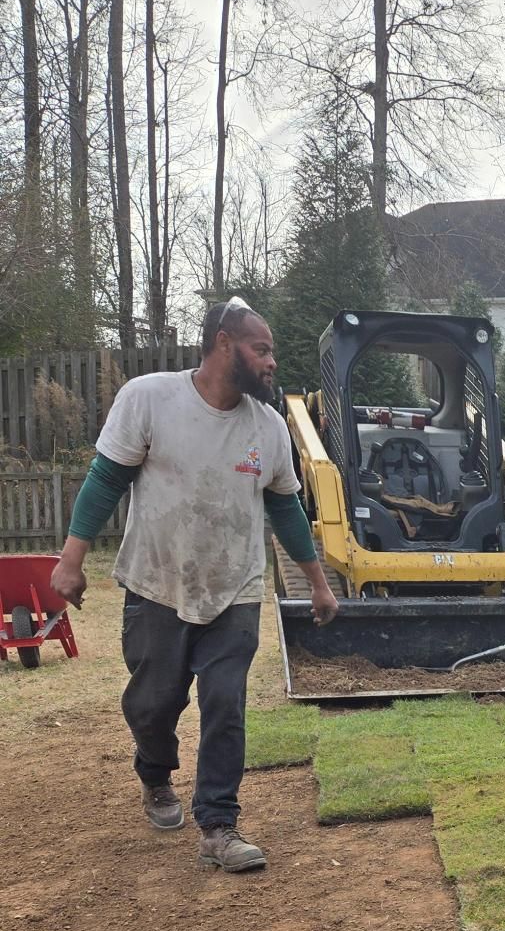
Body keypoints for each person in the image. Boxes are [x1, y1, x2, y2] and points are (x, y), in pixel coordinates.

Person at [51, 298, 339, 872]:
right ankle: (155, 775)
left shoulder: (270, 428)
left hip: (233, 587)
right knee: (154, 703)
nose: (272, 362)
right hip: (156, 582)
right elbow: (105, 481)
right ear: (224, 344)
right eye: (262, 349)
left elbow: (286, 512)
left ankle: (219, 825)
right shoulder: (149, 398)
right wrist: (70, 561)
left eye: (272, 351)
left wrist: (318, 583)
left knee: (225, 700)